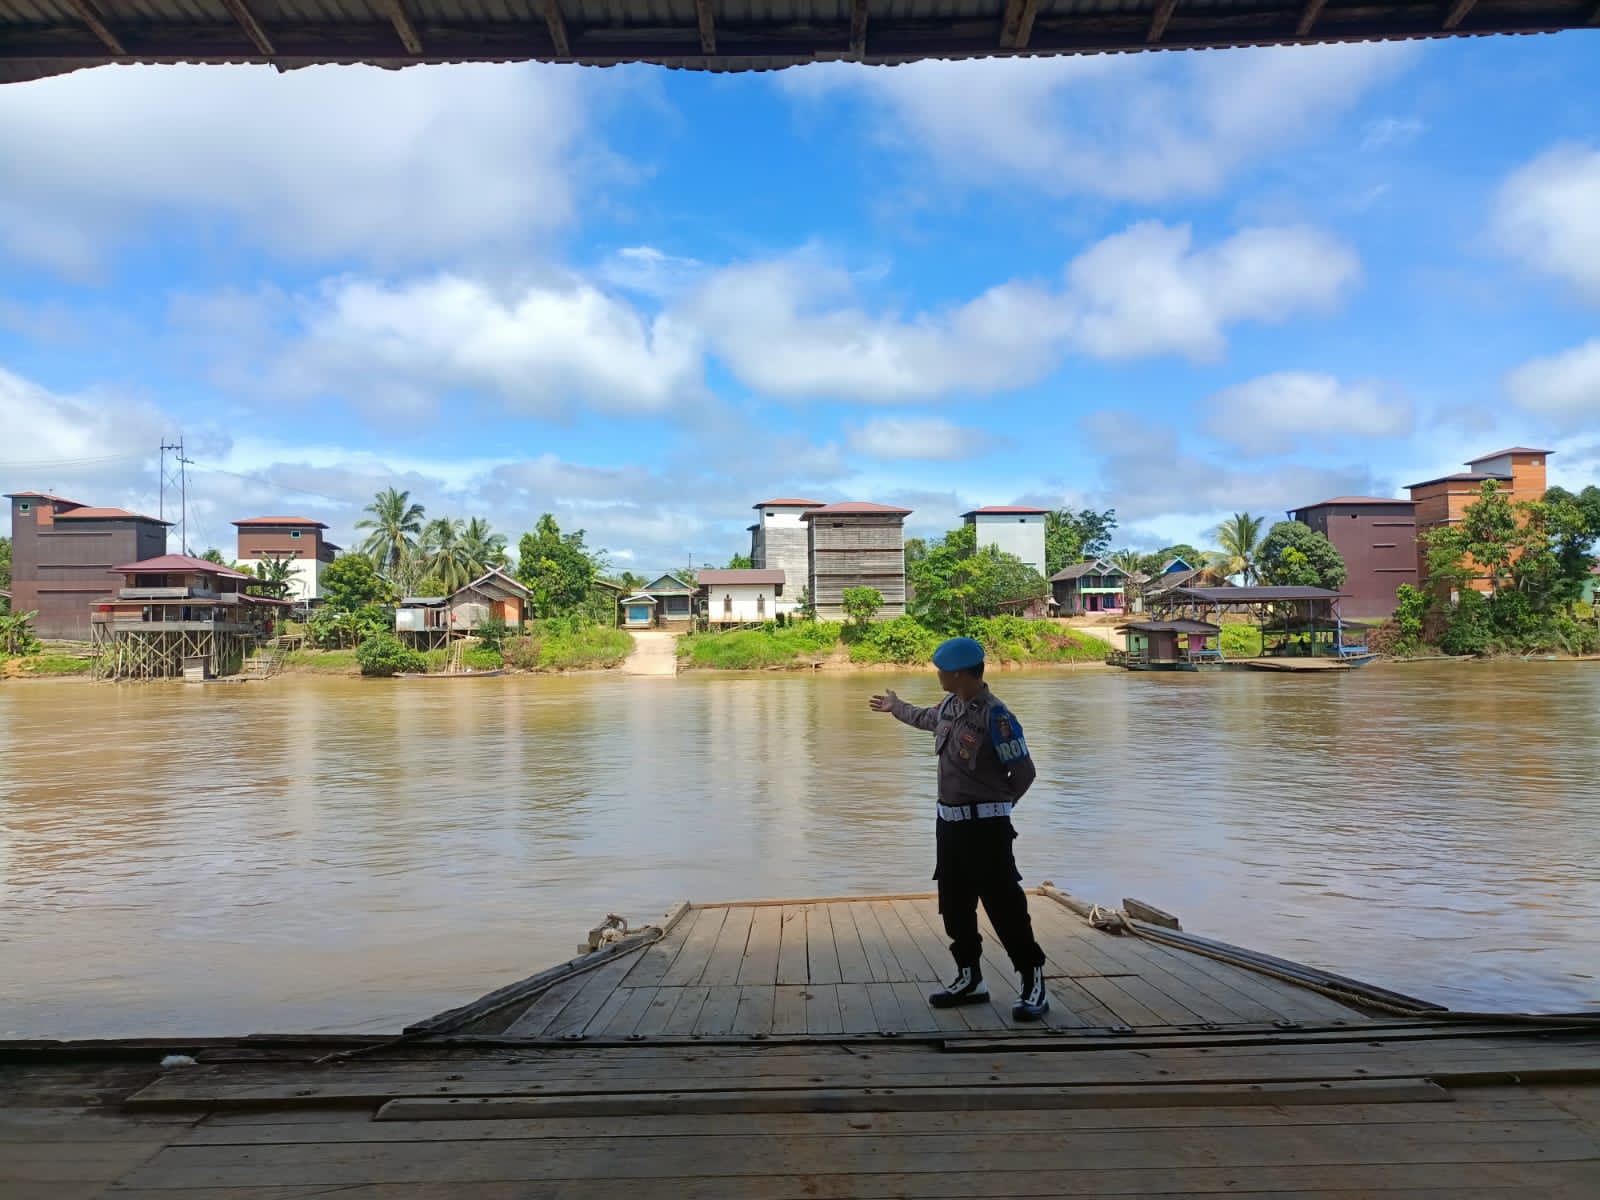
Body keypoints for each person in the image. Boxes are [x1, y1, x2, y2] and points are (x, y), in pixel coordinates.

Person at [868, 636, 1049, 1021]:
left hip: (986, 829)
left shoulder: (996, 717)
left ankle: (1032, 980)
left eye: (943, 670)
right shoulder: (951, 705)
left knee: (1004, 906)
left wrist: (999, 809)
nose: (938, 675)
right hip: (949, 826)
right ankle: (970, 978)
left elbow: (1025, 773)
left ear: (961, 674)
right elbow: (926, 719)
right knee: (954, 904)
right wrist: (896, 707)